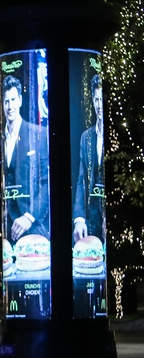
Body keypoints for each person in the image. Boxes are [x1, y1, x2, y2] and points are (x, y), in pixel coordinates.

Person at [1, 74, 50, 242]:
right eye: (6, 101)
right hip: (5, 227)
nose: (10, 106)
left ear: (20, 101)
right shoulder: (0, 138)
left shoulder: (39, 135)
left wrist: (29, 217)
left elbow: (46, 183)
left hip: (32, 225)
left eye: (13, 100)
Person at [73, 74, 105, 241]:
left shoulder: (118, 136)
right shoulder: (86, 137)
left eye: (103, 99)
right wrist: (79, 218)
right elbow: (81, 180)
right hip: (91, 222)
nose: (100, 105)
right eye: (97, 99)